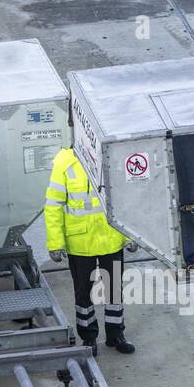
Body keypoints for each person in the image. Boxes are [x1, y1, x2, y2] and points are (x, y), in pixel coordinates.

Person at [44, 147, 135, 355]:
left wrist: (130, 236)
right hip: (80, 243)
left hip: (110, 239)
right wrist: (55, 243)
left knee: (114, 291)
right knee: (83, 294)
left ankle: (115, 335)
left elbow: (125, 199)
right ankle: (89, 338)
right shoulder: (64, 162)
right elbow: (53, 205)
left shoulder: (109, 154)